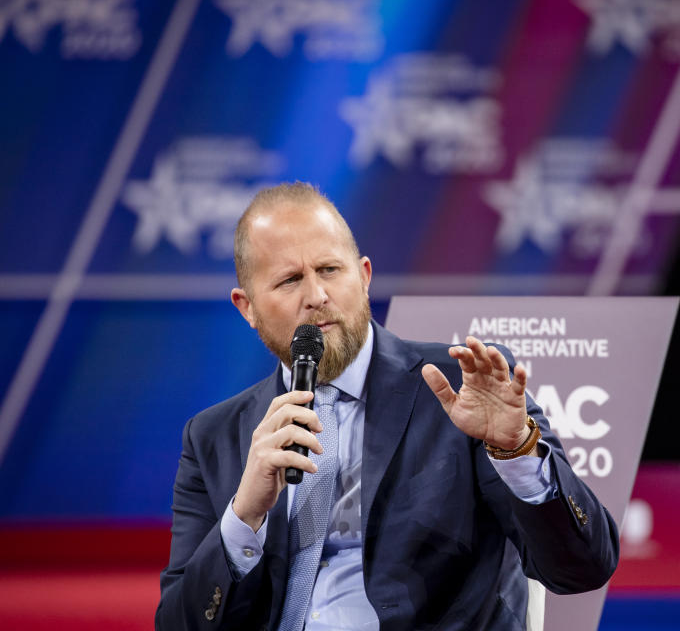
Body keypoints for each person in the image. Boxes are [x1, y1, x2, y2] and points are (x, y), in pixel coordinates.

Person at [156, 183, 618, 631]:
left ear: (364, 275)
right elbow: (179, 622)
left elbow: (582, 569)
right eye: (290, 280)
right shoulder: (214, 436)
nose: (316, 295)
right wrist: (244, 516)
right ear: (247, 307)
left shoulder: (461, 389)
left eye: (330, 270)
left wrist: (517, 450)